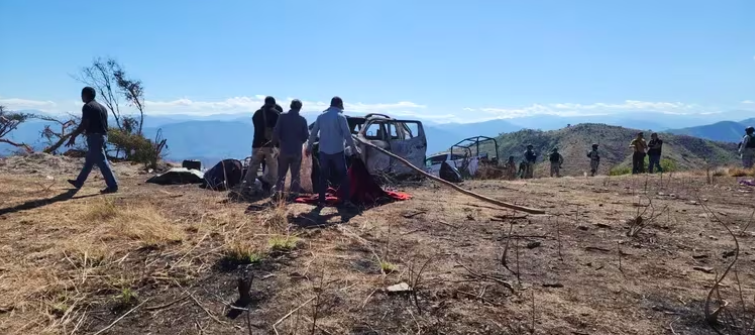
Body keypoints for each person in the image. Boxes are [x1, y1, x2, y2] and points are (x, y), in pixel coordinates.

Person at [65, 87, 119, 194]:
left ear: (86, 95)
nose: (81, 97)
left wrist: (73, 136)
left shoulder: (87, 107)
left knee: (102, 162)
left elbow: (85, 124)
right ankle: (79, 182)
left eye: (82, 94)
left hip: (94, 137)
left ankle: (113, 186)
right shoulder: (102, 108)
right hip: (103, 136)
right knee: (89, 161)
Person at [306, 97, 356, 208]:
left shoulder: (321, 117)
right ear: (339, 105)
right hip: (338, 150)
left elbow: (313, 133)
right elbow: (347, 135)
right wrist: (354, 149)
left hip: (323, 151)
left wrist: (309, 147)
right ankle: (346, 200)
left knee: (323, 176)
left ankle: (321, 201)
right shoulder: (341, 117)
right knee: (343, 175)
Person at [241, 96, 282, 194]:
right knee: (273, 167)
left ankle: (247, 185)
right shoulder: (277, 114)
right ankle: (272, 188)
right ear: (274, 104)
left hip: (257, 144)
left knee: (253, 165)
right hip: (271, 145)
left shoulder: (257, 114)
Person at [271, 99, 309, 199]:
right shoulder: (302, 119)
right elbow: (306, 135)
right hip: (296, 150)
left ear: (290, 106)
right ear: (300, 108)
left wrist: (275, 144)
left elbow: (276, 131)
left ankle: (279, 192)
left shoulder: (282, 117)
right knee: (295, 173)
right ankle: (294, 194)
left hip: (284, 149)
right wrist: (299, 141)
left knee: (281, 173)